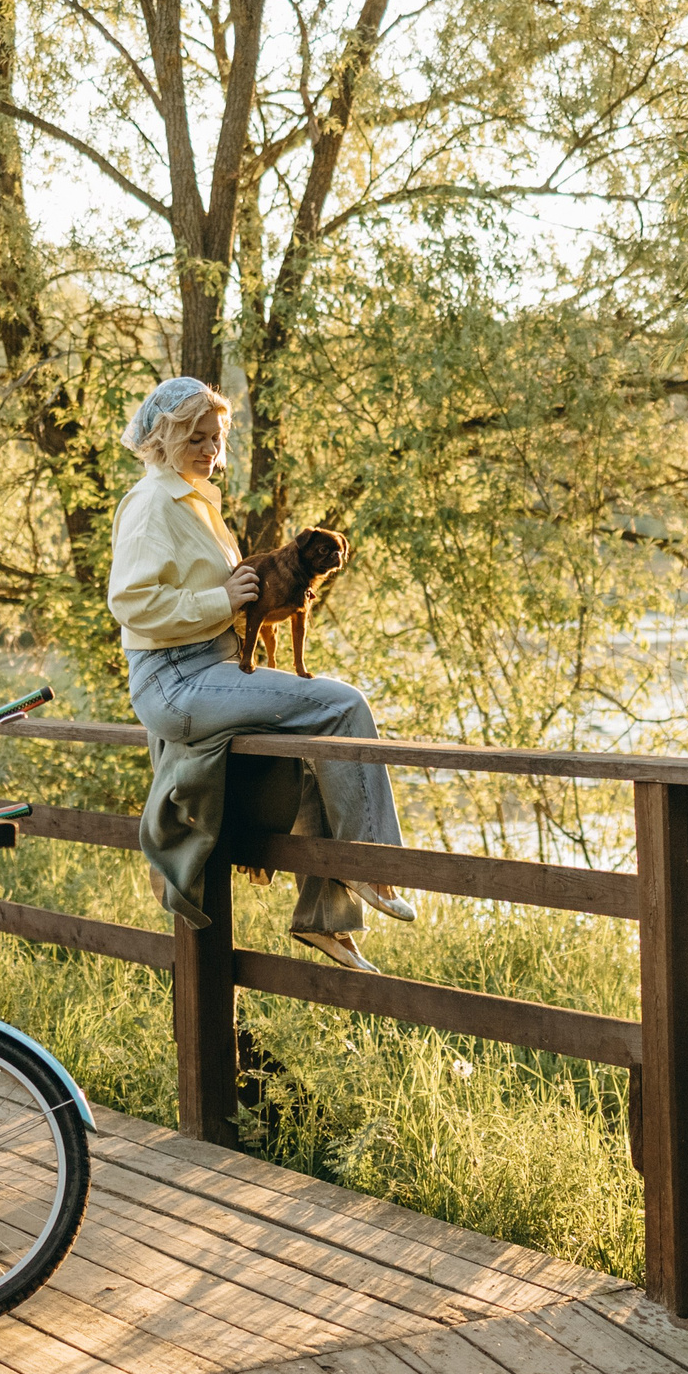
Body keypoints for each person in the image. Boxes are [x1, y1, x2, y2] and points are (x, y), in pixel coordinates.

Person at [107, 376, 411, 971]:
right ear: (163, 437)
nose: (209, 451)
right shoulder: (151, 505)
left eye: (216, 439)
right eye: (196, 437)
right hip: (177, 678)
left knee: (317, 742)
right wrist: (221, 600)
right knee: (342, 706)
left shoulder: (194, 502)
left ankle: (325, 916)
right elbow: (132, 604)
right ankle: (369, 862)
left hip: (209, 670)